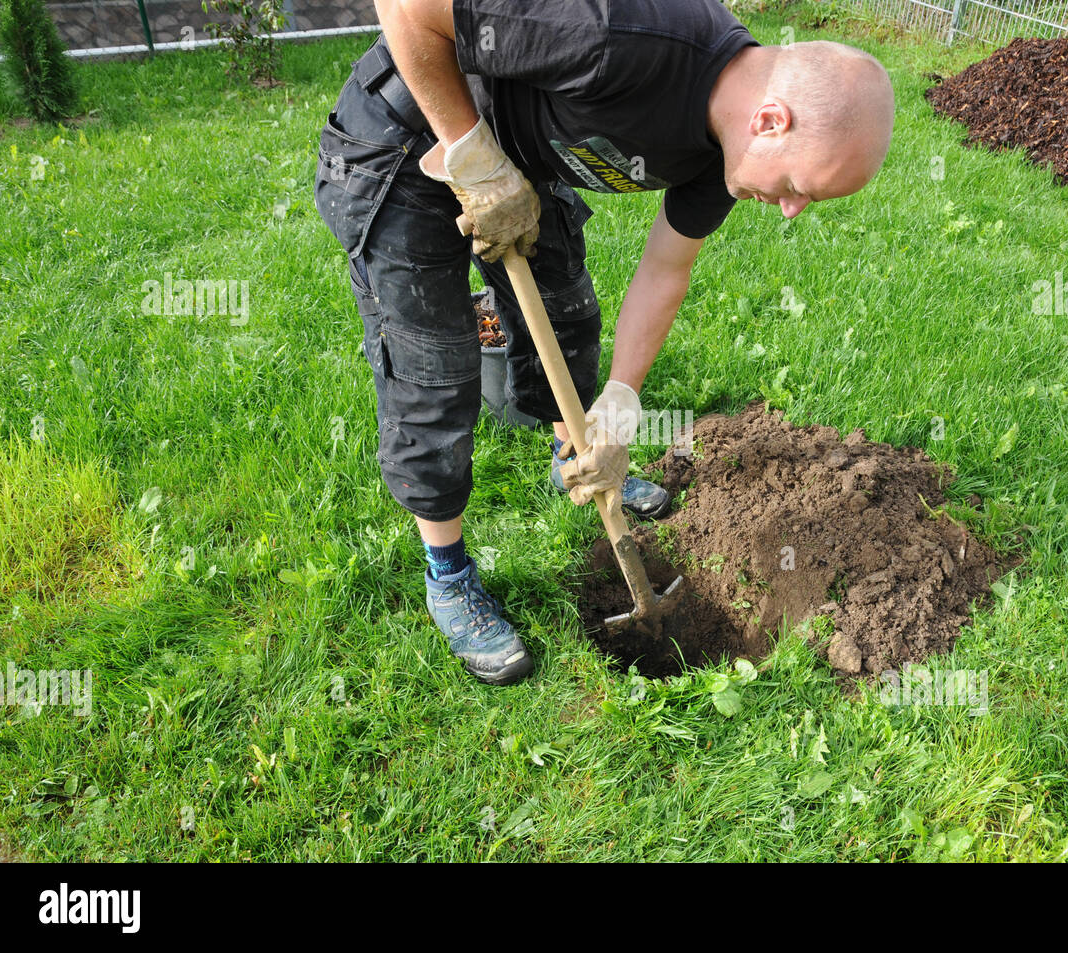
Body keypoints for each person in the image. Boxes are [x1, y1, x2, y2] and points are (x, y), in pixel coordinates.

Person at [313, 0, 894, 685]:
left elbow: (666, 267)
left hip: (521, 158)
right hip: (411, 138)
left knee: (566, 322)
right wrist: (472, 155)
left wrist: (620, 399)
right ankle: (449, 576)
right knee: (434, 372)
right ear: (772, 121)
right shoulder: (610, 31)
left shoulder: (724, 152)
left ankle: (577, 452)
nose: (792, 208)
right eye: (800, 187)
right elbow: (407, 8)